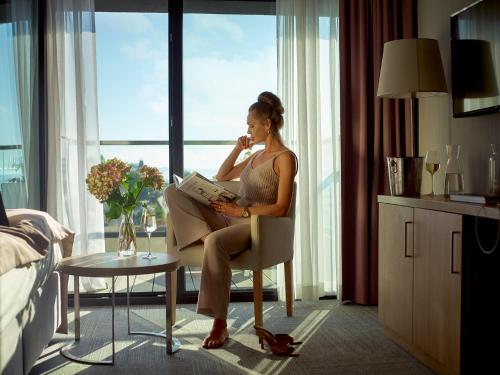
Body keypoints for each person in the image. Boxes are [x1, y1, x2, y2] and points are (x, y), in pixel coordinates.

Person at [164, 91, 297, 349]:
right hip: (230, 216)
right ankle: (206, 238)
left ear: (267, 125)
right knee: (172, 190)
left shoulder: (285, 158)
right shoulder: (255, 156)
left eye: (251, 125)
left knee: (216, 242)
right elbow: (222, 174)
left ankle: (219, 324)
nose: (248, 130)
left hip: (254, 226)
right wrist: (238, 148)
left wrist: (243, 213)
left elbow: (282, 207)